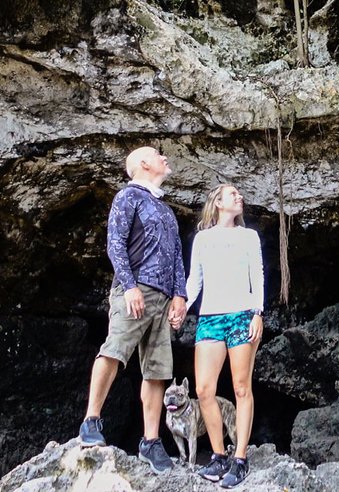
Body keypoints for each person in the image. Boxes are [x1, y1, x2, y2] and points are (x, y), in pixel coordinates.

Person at [77, 146, 188, 474]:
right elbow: (115, 243)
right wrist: (129, 286)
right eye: (158, 154)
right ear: (143, 164)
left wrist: (180, 296)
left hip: (163, 298)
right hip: (135, 291)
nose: (165, 157)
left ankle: (151, 442)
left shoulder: (165, 209)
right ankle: (91, 421)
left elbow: (177, 255)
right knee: (114, 351)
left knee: (156, 370)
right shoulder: (128, 197)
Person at [185, 183, 265, 488]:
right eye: (233, 194)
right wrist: (181, 306)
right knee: (204, 390)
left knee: (241, 387)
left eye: (240, 194)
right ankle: (219, 456)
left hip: (242, 314)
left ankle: (240, 458)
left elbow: (257, 274)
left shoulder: (249, 236)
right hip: (210, 317)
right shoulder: (203, 239)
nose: (239, 197)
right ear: (218, 202)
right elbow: (195, 279)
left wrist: (258, 311)